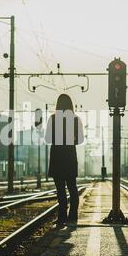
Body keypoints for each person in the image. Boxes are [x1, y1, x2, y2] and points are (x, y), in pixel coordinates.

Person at [45, 94, 84, 228]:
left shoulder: (53, 119)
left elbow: (48, 139)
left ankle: (61, 218)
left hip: (57, 157)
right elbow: (80, 140)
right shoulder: (75, 119)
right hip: (69, 157)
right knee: (72, 188)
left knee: (60, 190)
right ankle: (72, 217)